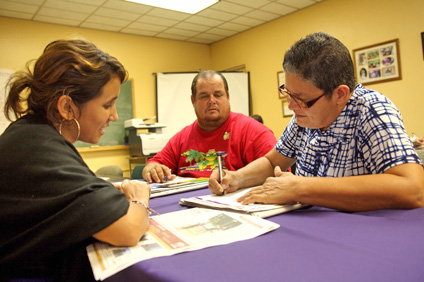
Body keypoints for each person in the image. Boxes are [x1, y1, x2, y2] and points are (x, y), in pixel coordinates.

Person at [209, 32, 424, 212]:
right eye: (287, 93)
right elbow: (273, 162)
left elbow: (413, 189)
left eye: (301, 99)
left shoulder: (371, 109)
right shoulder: (304, 118)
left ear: (340, 94)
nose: (292, 106)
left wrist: (302, 188)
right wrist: (236, 178)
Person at [0, 39, 151, 281]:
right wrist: (140, 198)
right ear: (67, 107)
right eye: (107, 105)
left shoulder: (29, 134)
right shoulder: (39, 148)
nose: (114, 115)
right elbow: (129, 230)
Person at [143, 70, 277, 183]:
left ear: (228, 97)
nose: (212, 101)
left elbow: (277, 170)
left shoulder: (254, 131)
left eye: (218, 95)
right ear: (193, 101)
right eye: (204, 96)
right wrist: (152, 169)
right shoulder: (182, 138)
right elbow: (153, 164)